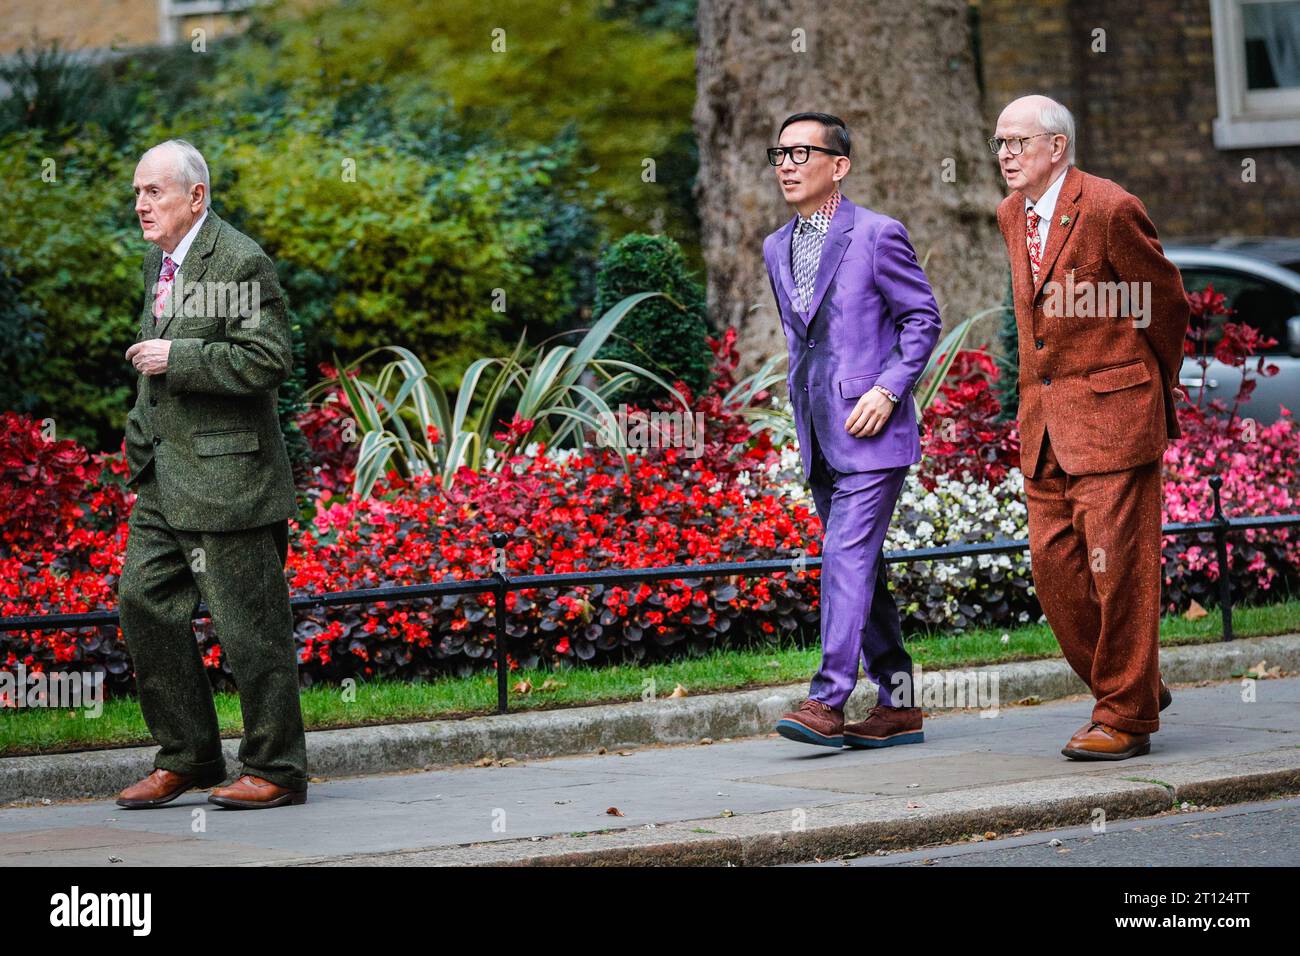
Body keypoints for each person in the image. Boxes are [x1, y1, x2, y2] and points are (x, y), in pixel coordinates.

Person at [990, 95, 1188, 759]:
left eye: (1019, 142)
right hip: (1043, 426)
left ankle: (1125, 718)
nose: (1006, 155)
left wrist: (1150, 390)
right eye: (999, 144)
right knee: (1056, 571)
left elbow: (1163, 304)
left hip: (1116, 415)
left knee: (1120, 573)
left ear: (1057, 148)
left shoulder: (1109, 206)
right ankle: (1133, 683)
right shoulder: (1010, 214)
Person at [115, 139, 309, 808]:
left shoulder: (238, 260)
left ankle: (277, 769)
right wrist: (140, 448)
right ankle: (190, 756)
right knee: (143, 603)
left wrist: (181, 356)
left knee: (250, 630)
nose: (141, 203)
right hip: (164, 481)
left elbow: (268, 359)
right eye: (138, 192)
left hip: (232, 483)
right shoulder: (159, 260)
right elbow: (153, 371)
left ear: (196, 196)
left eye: (154, 192)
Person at [762, 112, 941, 749]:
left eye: (801, 152)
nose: (786, 163)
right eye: (778, 152)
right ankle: (901, 704)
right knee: (864, 567)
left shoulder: (877, 234)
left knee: (843, 556)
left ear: (838, 166)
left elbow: (922, 319)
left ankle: (827, 698)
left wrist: (889, 389)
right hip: (819, 432)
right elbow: (800, 341)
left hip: (872, 431)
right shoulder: (775, 246)